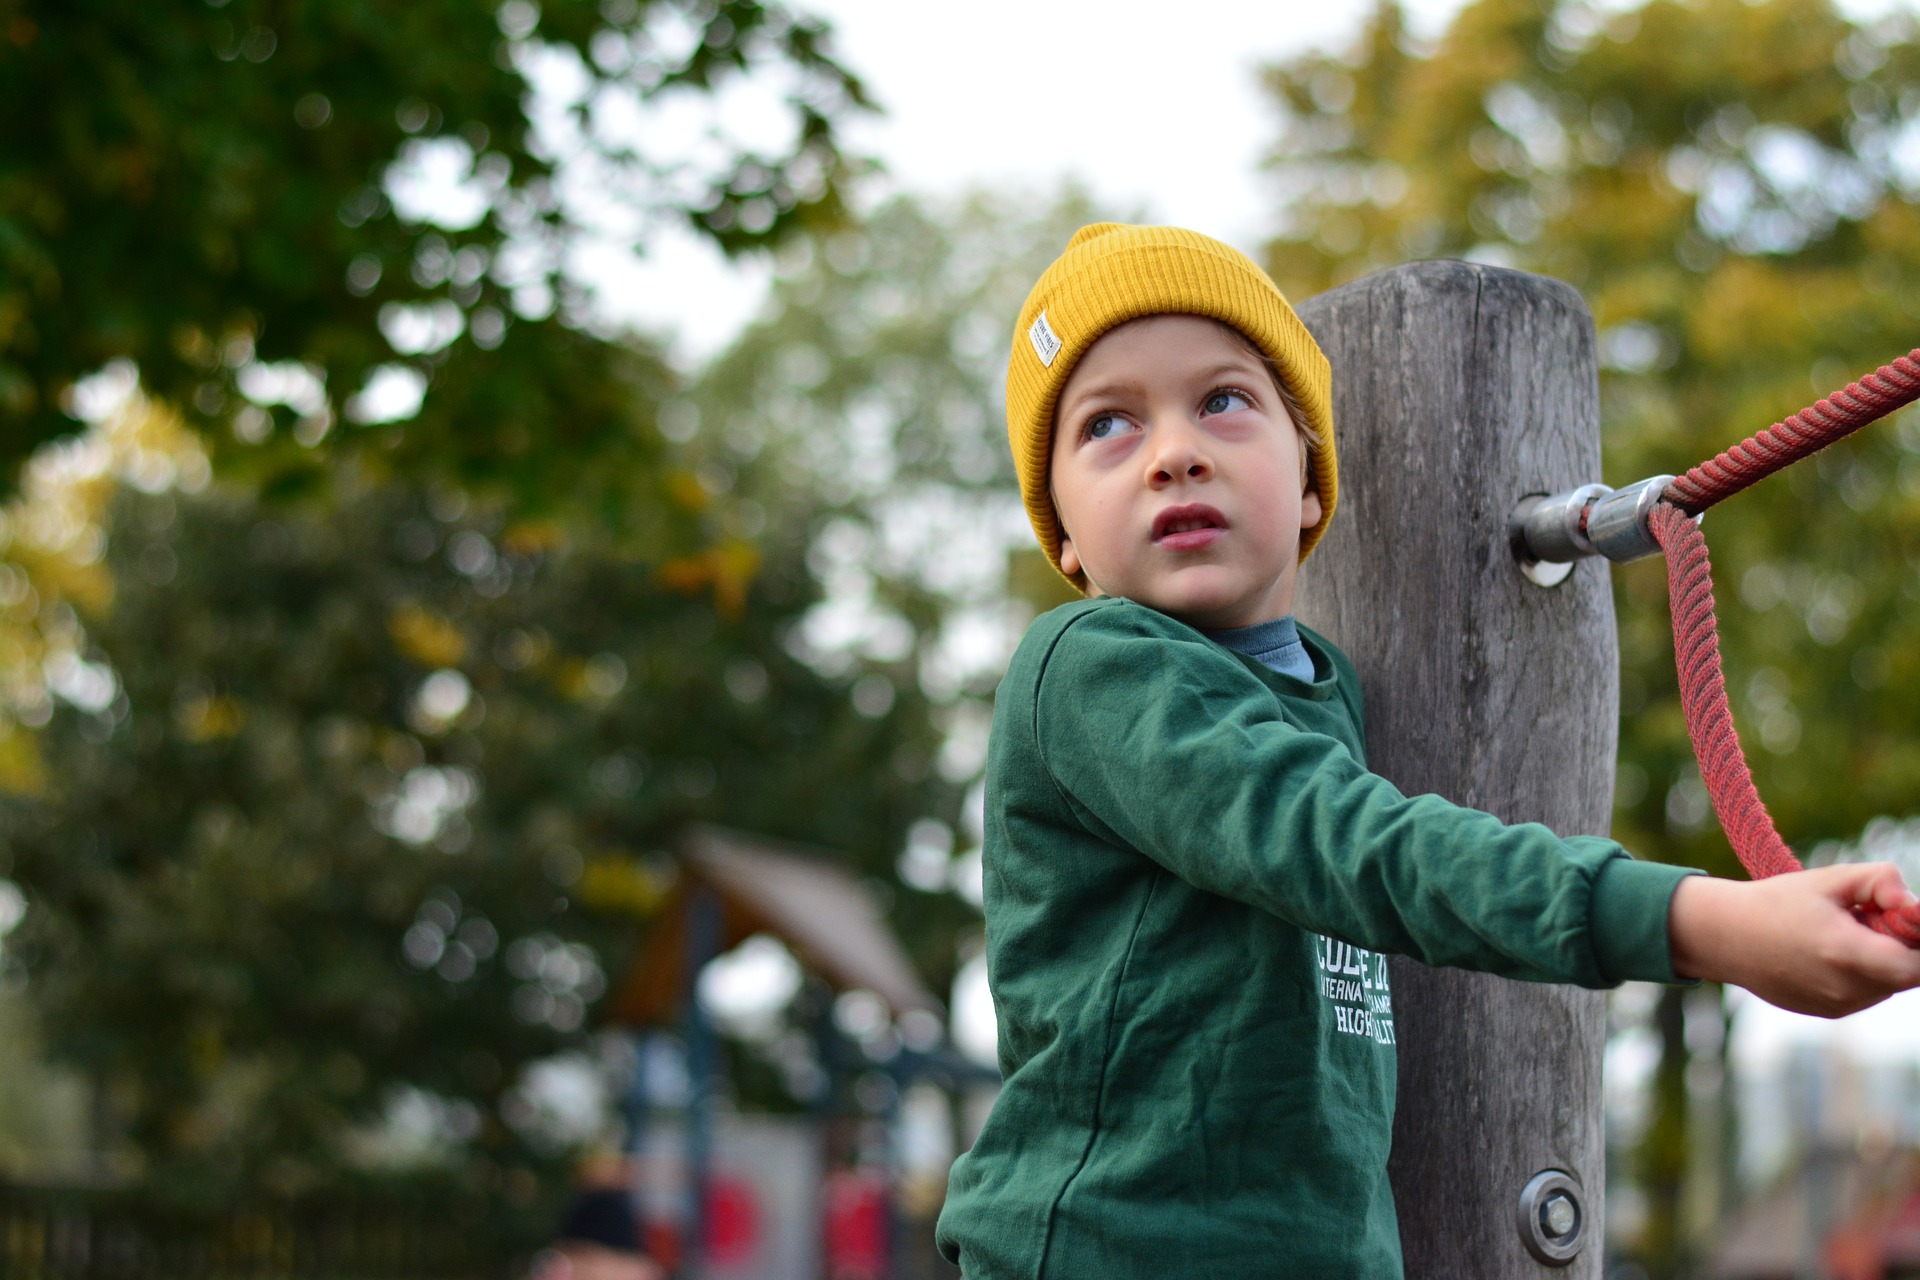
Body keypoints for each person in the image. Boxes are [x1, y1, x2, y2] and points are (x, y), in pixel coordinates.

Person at [932, 223, 1920, 1278]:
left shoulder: (1333, 689)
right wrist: (1700, 919)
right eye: (1108, 424)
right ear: (1066, 535)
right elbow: (1353, 843)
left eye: (1223, 399)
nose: (1175, 448)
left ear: (1313, 480)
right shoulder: (1088, 667)